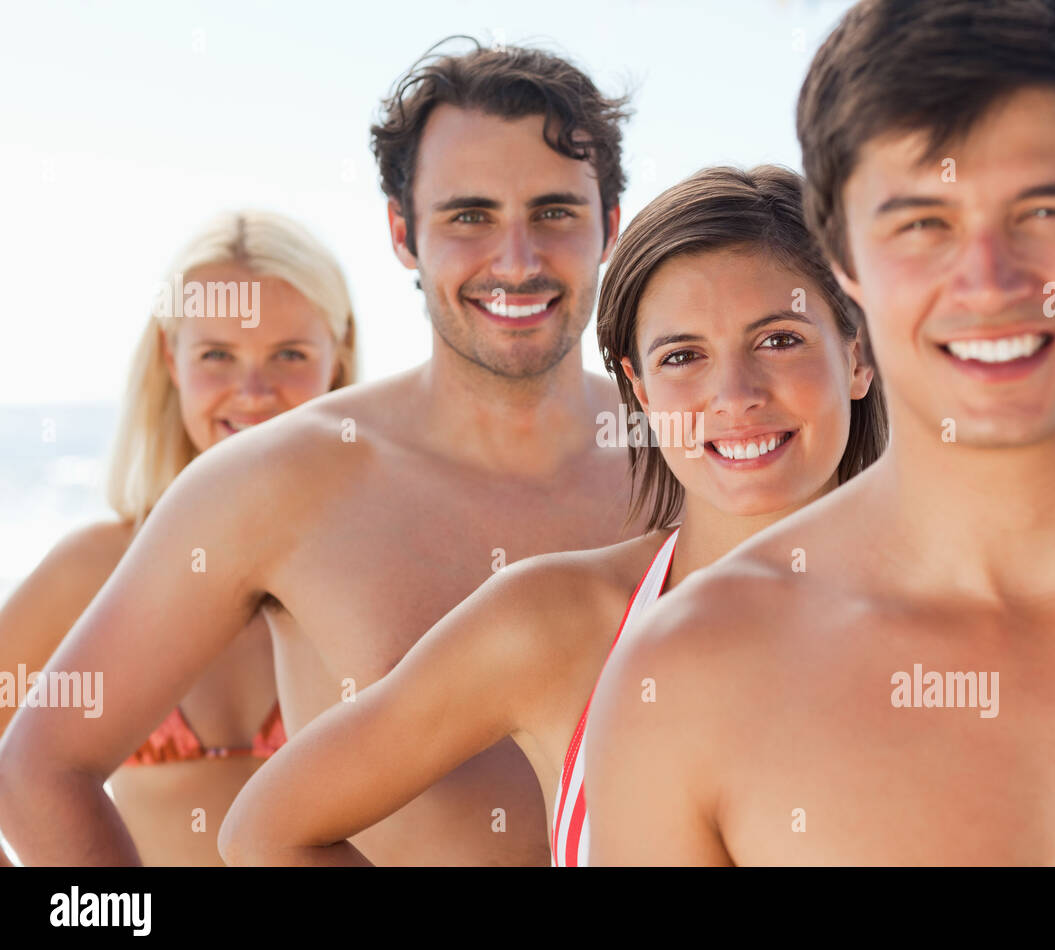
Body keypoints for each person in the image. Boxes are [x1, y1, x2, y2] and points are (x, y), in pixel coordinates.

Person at [584, 0, 1055, 865]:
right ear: (845, 262)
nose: (987, 281)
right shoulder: (691, 679)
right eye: (922, 223)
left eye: (1043, 211)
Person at [0, 38, 636, 866]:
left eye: (554, 211)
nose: (514, 260)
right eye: (468, 215)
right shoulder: (277, 481)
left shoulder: (694, 460)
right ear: (403, 234)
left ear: (610, 227)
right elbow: (41, 766)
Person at [215, 164, 886, 866]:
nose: (735, 394)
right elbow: (266, 832)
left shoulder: (974, 621)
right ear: (641, 390)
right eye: (683, 355)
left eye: (780, 339)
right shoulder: (554, 623)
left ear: (860, 354)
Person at [0, 210, 357, 865]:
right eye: (217, 354)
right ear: (172, 358)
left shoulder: (380, 566)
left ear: (339, 356)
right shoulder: (95, 570)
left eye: (290, 355)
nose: (253, 392)